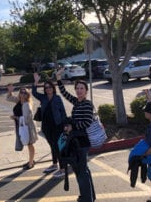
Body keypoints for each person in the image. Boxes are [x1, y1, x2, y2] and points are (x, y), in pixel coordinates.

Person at [55, 68, 96, 202]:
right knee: (83, 169)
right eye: (77, 88)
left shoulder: (87, 104)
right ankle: (89, 196)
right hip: (76, 141)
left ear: (86, 91)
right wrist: (58, 79)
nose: (79, 90)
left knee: (81, 171)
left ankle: (86, 198)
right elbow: (64, 93)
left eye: (81, 88)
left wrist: (73, 126)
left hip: (82, 142)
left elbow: (87, 122)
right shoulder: (77, 102)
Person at [32, 73, 67, 178]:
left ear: (53, 88)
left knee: (58, 146)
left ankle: (62, 168)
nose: (48, 89)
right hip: (46, 126)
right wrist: (36, 82)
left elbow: (63, 112)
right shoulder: (43, 98)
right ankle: (54, 164)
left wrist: (65, 124)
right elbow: (34, 92)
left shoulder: (57, 98)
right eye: (46, 88)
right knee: (52, 145)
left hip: (57, 125)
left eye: (50, 87)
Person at [7, 84, 38, 170]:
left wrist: (16, 117)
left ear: (28, 95)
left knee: (29, 144)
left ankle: (31, 163)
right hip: (21, 126)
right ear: (19, 94)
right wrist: (10, 91)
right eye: (21, 92)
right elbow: (9, 98)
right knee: (27, 143)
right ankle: (31, 160)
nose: (23, 94)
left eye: (25, 93)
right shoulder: (19, 101)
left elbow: (27, 119)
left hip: (27, 127)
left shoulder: (26, 104)